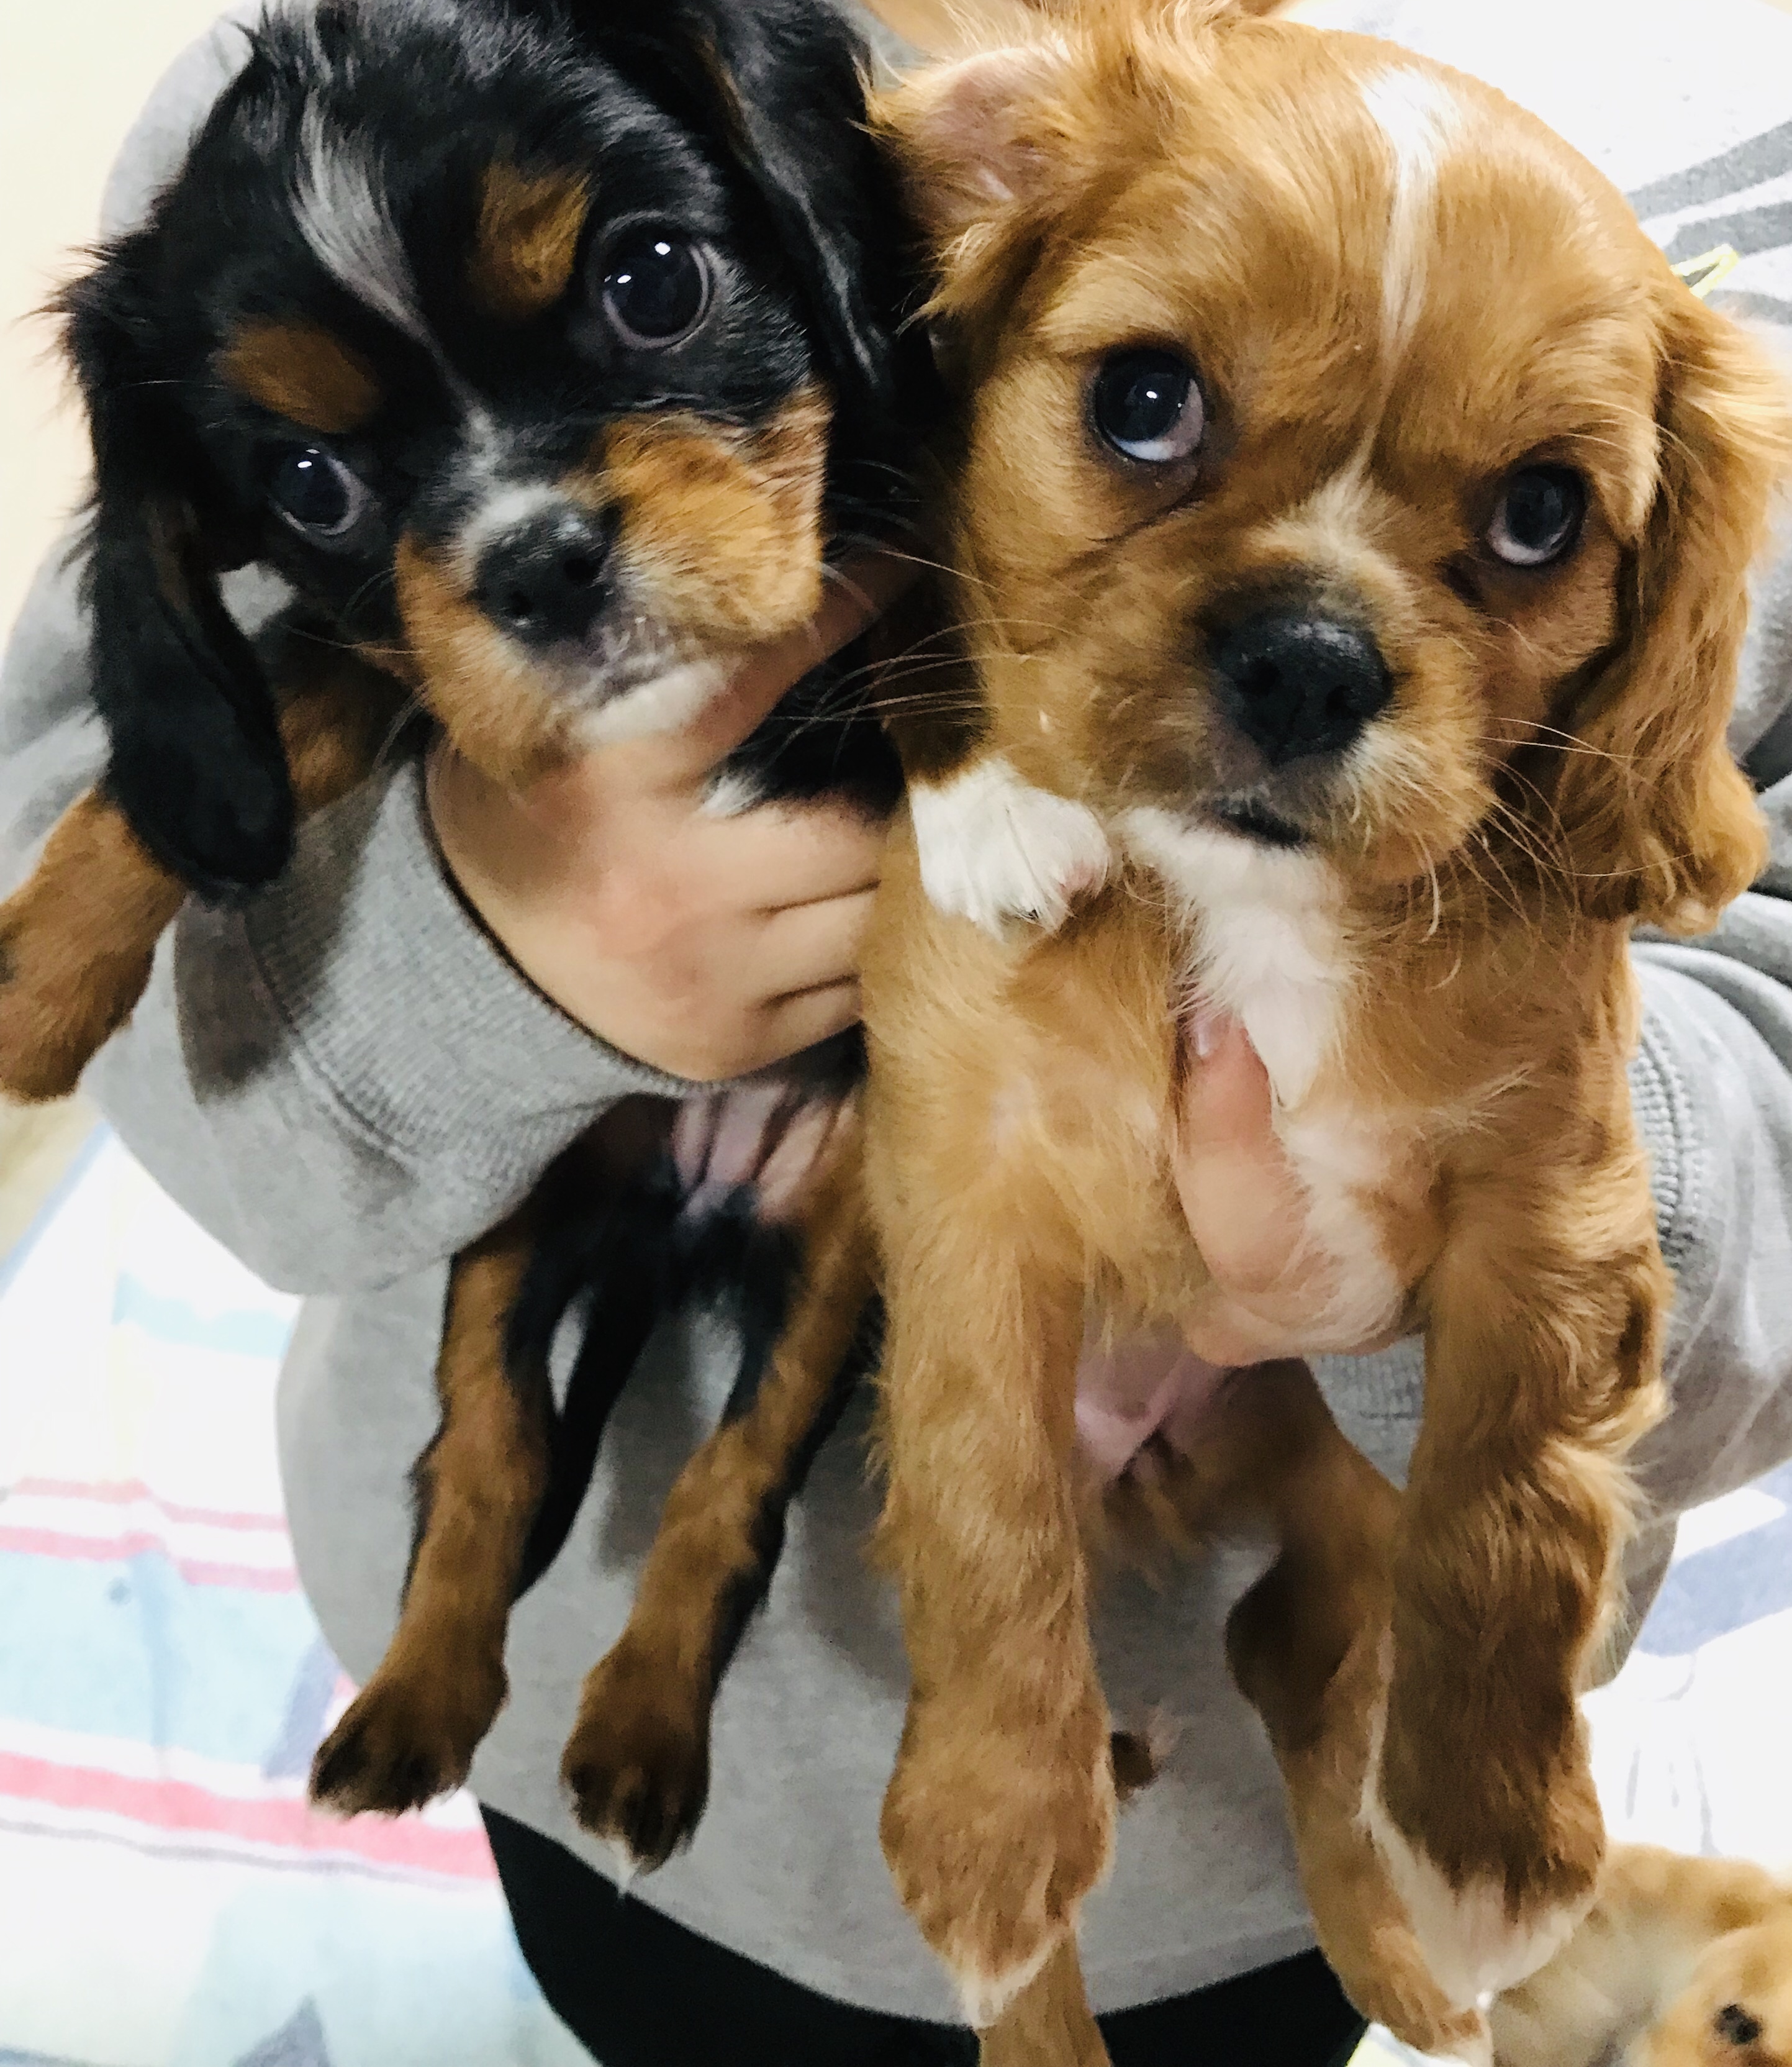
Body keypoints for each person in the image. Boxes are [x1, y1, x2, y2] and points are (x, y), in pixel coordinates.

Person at [3, 1, 1790, 2062]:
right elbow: (103, 810)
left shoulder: (1721, 171)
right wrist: (494, 949)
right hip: (616, 1726)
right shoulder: (379, 67)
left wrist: (1495, 1202)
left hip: (1221, 1840)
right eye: (1147, 404)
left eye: (1539, 516)